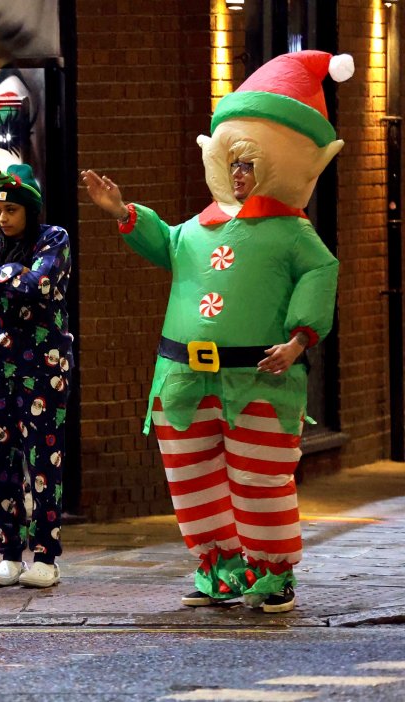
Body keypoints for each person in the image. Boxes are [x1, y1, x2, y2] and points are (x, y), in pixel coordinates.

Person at [81, 50, 348, 613]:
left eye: (249, 165)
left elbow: (322, 273)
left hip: (258, 376)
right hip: (183, 376)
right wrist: (122, 211)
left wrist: (300, 338)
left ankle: (272, 572)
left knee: (259, 480)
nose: (239, 176)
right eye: (234, 165)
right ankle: (219, 567)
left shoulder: (293, 234)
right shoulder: (197, 231)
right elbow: (165, 241)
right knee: (193, 479)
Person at [0, 164, 73, 589]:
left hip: (44, 368)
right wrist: (10, 275)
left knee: (44, 461)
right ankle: (9, 554)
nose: (2, 218)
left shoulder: (54, 238)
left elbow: (38, 285)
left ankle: (45, 556)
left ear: (29, 209)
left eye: (11, 210)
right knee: (0, 460)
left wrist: (0, 281)